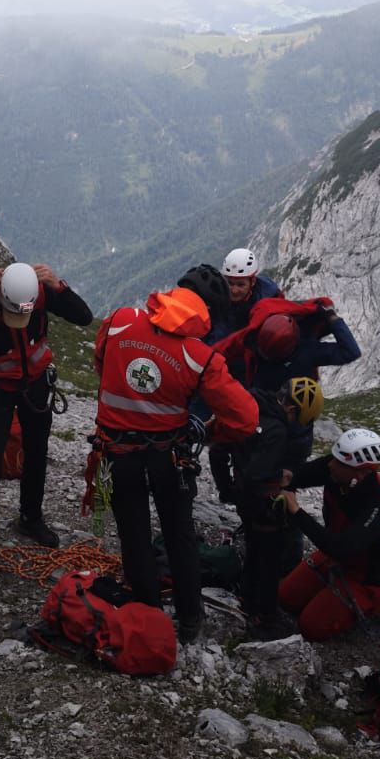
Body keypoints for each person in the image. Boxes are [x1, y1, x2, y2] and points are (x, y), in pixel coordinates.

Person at [93, 271, 258, 643]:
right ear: (207, 314)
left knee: (133, 534)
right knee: (179, 534)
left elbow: (101, 364)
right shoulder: (201, 357)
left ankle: (147, 612)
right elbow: (246, 419)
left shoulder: (120, 321)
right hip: (169, 459)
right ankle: (189, 619)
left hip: (116, 454)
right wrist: (213, 432)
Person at [0, 261, 93, 588]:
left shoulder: (40, 293)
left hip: (36, 385)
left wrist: (57, 285)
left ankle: (30, 517)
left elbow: (83, 316)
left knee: (37, 453)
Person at [276, 428, 380, 641]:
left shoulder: (379, 502)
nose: (330, 465)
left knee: (311, 627)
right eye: (333, 458)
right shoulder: (337, 471)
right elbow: (300, 476)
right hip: (334, 555)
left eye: (339, 462)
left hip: (367, 576)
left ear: (360, 473)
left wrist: (296, 511)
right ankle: (328, 595)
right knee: (285, 598)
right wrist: (288, 479)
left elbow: (344, 548)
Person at [229, 376, 322, 639]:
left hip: (243, 497)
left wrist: (227, 489)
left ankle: (246, 598)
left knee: (253, 549)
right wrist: (278, 479)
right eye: (300, 418)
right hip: (261, 501)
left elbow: (223, 449)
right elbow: (259, 473)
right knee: (269, 558)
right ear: (292, 409)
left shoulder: (253, 406)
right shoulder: (278, 430)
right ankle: (266, 618)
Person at [207, 247, 282, 344]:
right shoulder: (216, 300)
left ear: (253, 282)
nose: (234, 290)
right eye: (230, 283)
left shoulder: (268, 296)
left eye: (240, 285)